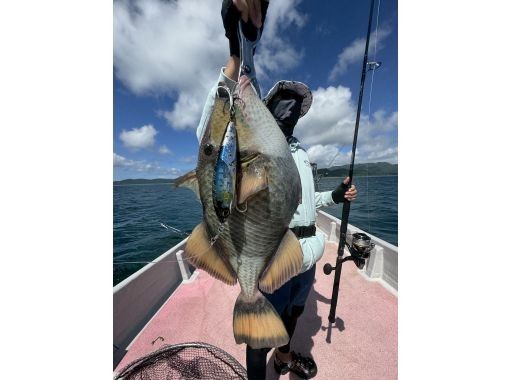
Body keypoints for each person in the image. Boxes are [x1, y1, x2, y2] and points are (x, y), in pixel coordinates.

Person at [196, 1, 358, 378]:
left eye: (295, 107)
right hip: (271, 252)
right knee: (259, 334)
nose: (289, 110)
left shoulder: (301, 154)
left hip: (308, 253)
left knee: (293, 314)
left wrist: (334, 196)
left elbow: (307, 199)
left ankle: (284, 359)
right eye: (282, 104)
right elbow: (215, 136)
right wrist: (238, 52)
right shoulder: (252, 143)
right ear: (267, 108)